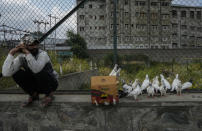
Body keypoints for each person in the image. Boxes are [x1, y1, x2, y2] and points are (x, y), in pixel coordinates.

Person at [2, 35, 58, 107]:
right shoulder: (21, 57)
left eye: (36, 44)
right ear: (24, 47)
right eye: (31, 45)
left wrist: (27, 53)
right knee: (16, 73)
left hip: (51, 83)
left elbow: (36, 69)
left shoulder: (43, 54)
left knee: (39, 71)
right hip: (36, 84)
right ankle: (34, 95)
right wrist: (11, 53)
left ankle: (49, 94)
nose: (35, 47)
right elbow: (6, 73)